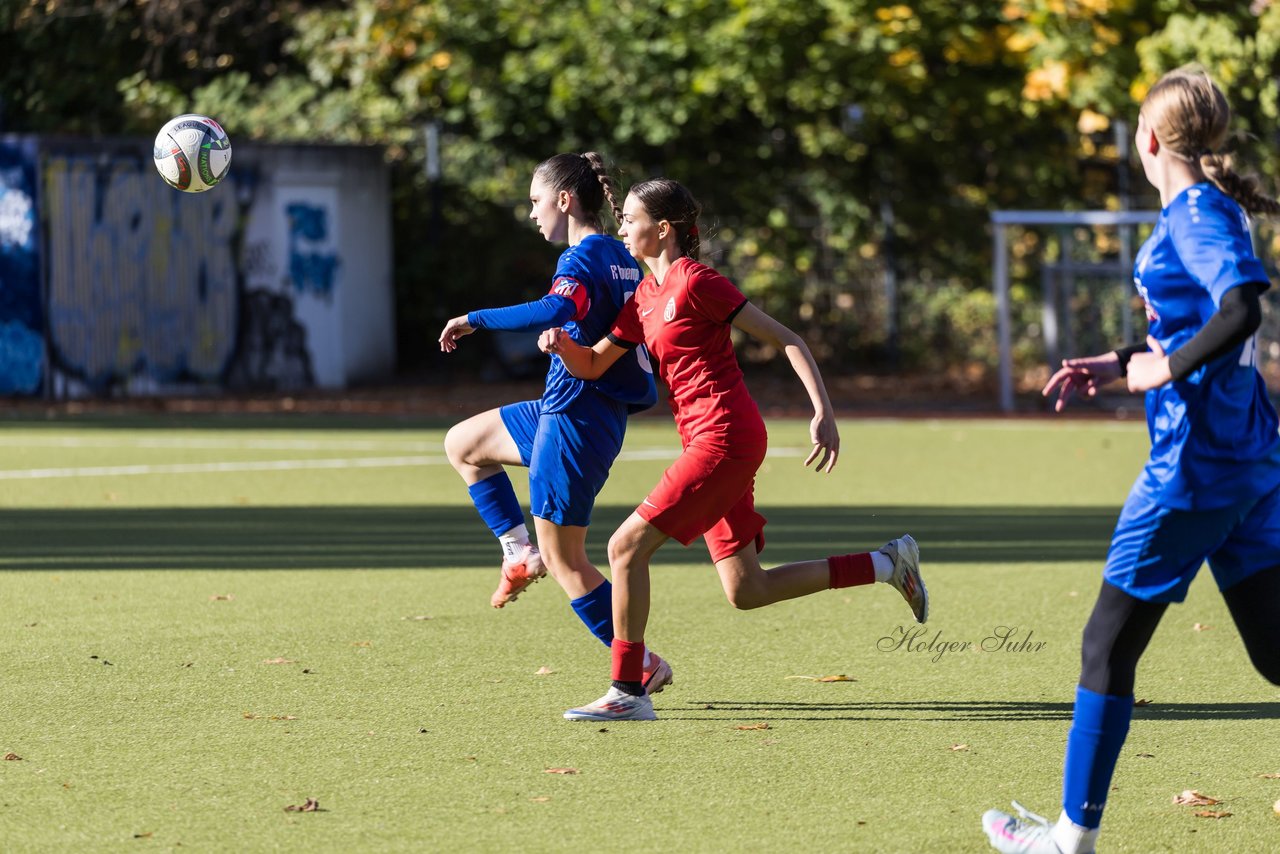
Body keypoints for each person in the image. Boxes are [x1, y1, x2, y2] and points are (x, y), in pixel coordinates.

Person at [983, 67, 1280, 854]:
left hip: (1195, 469)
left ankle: (1069, 840)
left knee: (1105, 645)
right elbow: (1198, 316)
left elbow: (1241, 308)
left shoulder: (1194, 213)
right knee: (1276, 654)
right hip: (1247, 460)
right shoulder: (1211, 207)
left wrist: (1160, 370)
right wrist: (1122, 361)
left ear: (1147, 138)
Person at [538, 177, 929, 722]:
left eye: (629, 219)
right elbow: (593, 363)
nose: (621, 228)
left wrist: (823, 412)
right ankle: (886, 564)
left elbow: (788, 339)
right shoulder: (644, 297)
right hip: (708, 441)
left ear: (663, 228)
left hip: (725, 437)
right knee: (748, 588)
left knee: (624, 547)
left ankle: (628, 691)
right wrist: (563, 344)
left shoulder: (696, 282)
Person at [438, 152, 675, 694]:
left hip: (576, 421)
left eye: (535, 200)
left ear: (564, 200)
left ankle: (641, 665)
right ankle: (517, 551)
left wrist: (473, 319)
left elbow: (554, 310)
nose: (531, 212)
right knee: (464, 443)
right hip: (567, 409)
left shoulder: (583, 258)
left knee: (567, 561)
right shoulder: (616, 253)